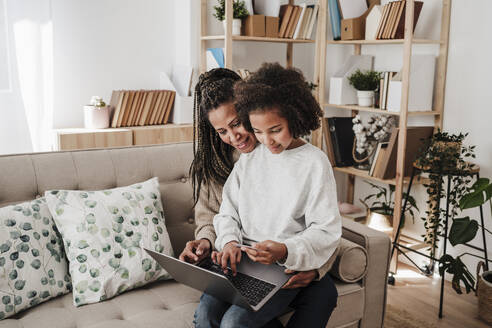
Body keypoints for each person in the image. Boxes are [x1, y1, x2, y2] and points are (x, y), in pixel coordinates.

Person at [189, 64, 341, 328]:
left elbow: (326, 229)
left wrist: (286, 250)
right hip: (240, 265)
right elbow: (226, 212)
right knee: (204, 316)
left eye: (274, 130)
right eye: (258, 131)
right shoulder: (249, 160)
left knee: (234, 323)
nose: (267, 141)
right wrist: (229, 243)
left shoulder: (314, 163)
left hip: (280, 268)